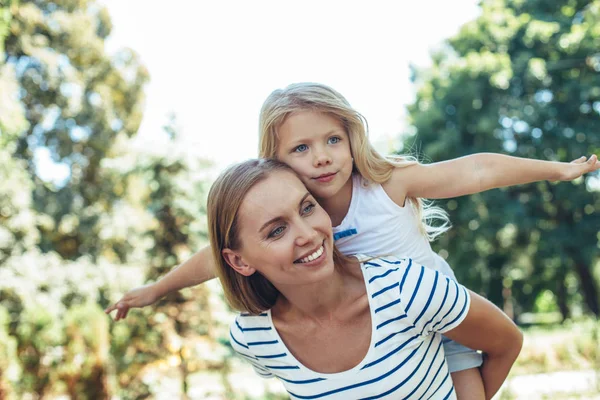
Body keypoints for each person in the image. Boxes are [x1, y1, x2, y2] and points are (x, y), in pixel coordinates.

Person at [106, 82, 599, 398]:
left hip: (441, 313)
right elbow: (214, 257)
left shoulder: (387, 184)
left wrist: (553, 170)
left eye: (333, 140)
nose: (322, 157)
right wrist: (155, 290)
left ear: (352, 139)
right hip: (368, 321)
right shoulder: (283, 217)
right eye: (301, 148)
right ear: (276, 161)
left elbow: (475, 169)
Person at [207, 158, 522, 400]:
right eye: (277, 230)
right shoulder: (254, 338)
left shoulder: (406, 289)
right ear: (238, 260)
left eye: (307, 208)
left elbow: (507, 343)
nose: (308, 234)